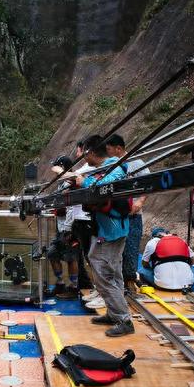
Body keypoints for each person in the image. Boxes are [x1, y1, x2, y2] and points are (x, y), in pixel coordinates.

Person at [74, 135, 134, 337]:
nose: (83, 158)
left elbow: (99, 189)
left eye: (84, 153)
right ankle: (113, 312)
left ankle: (124, 320)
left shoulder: (114, 168)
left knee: (103, 273)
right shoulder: (105, 168)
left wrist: (83, 182)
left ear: (90, 152)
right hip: (108, 229)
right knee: (111, 270)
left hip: (113, 231)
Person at [105, 134, 150, 294]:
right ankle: (116, 284)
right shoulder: (109, 165)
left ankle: (129, 282)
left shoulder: (136, 163)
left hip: (132, 215)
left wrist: (140, 202)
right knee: (114, 250)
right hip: (113, 217)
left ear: (118, 148)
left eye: (110, 150)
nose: (108, 153)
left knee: (131, 248)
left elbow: (148, 183)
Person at [48, 155, 81, 299]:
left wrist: (69, 229)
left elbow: (72, 208)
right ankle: (60, 283)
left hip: (71, 227)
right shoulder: (61, 184)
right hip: (60, 226)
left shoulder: (73, 183)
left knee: (71, 257)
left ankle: (74, 287)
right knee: (52, 253)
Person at [66, 139, 95, 292]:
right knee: (81, 254)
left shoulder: (89, 168)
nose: (77, 154)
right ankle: (85, 284)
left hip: (86, 219)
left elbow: (75, 177)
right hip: (79, 219)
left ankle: (97, 288)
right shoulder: (86, 167)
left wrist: (59, 171)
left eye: (79, 151)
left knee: (90, 255)